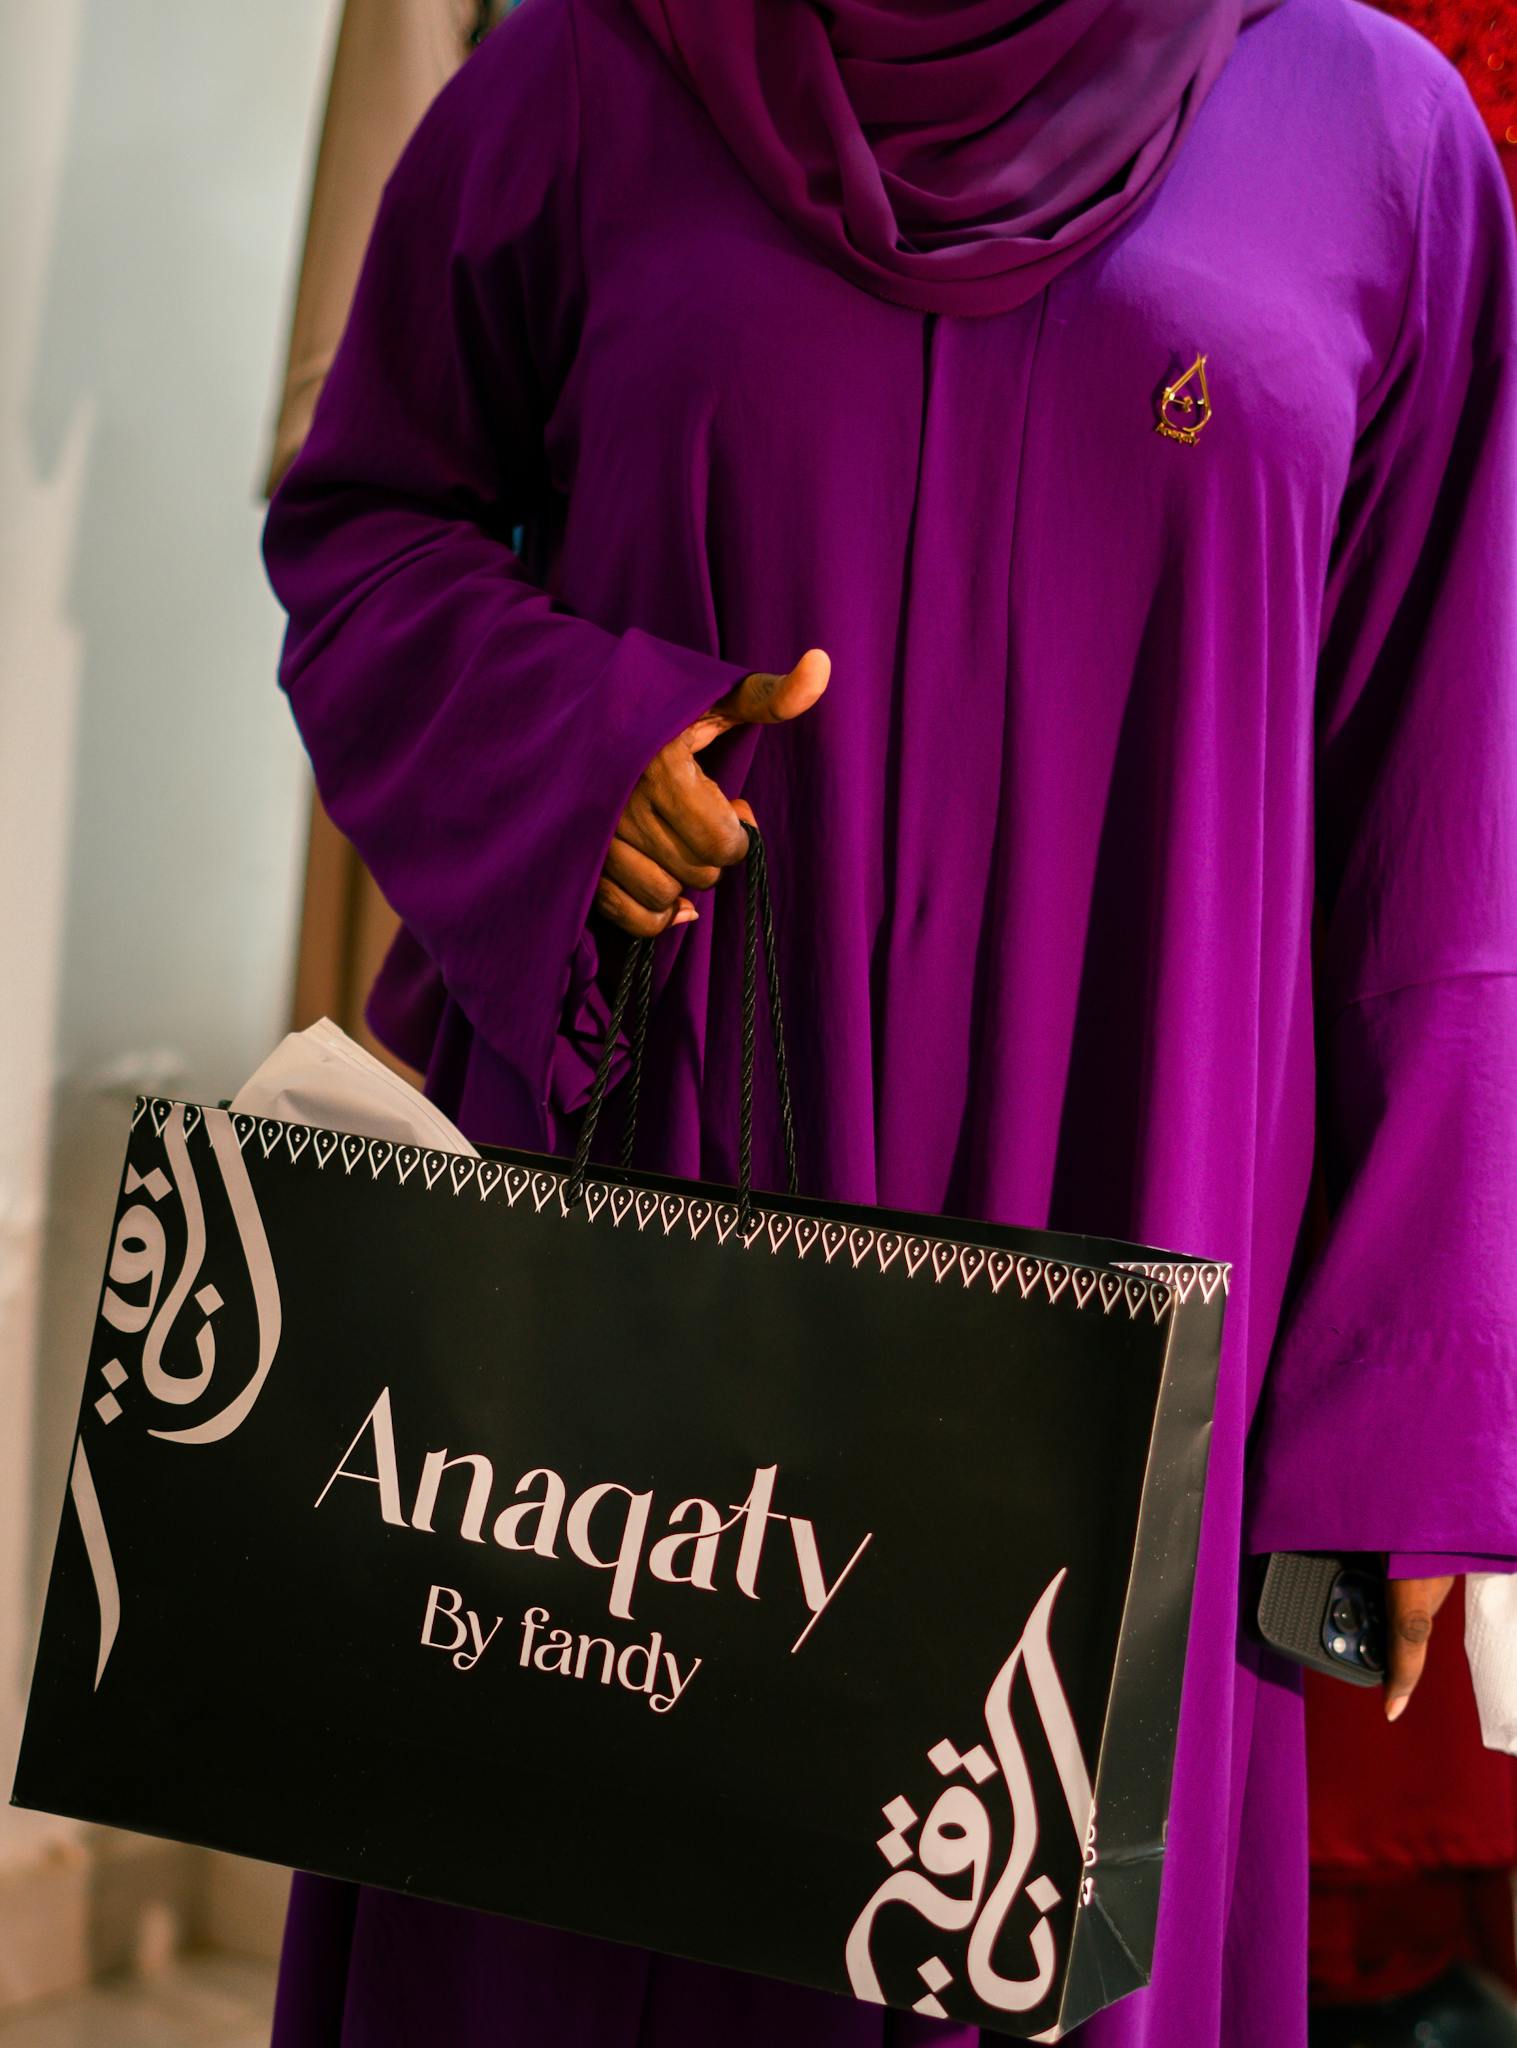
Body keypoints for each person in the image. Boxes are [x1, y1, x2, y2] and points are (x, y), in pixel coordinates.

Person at [259, 0, 1517, 2041]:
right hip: (640, 1298)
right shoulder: (602, 77)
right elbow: (369, 526)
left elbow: (1443, 813)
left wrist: (1407, 1387)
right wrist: (589, 751)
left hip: (1141, 1257)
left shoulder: (1375, 131)